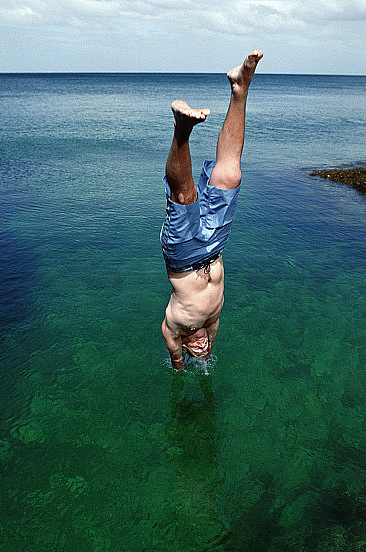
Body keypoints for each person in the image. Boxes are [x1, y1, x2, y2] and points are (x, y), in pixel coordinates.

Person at [160, 50, 263, 370]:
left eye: (196, 349)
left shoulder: (173, 330)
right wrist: (206, 359)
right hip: (216, 247)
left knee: (185, 196)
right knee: (230, 174)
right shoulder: (213, 323)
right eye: (206, 347)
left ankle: (182, 128)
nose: (202, 344)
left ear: (184, 344)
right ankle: (240, 87)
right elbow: (209, 345)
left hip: (182, 256)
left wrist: (180, 366)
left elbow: (177, 358)